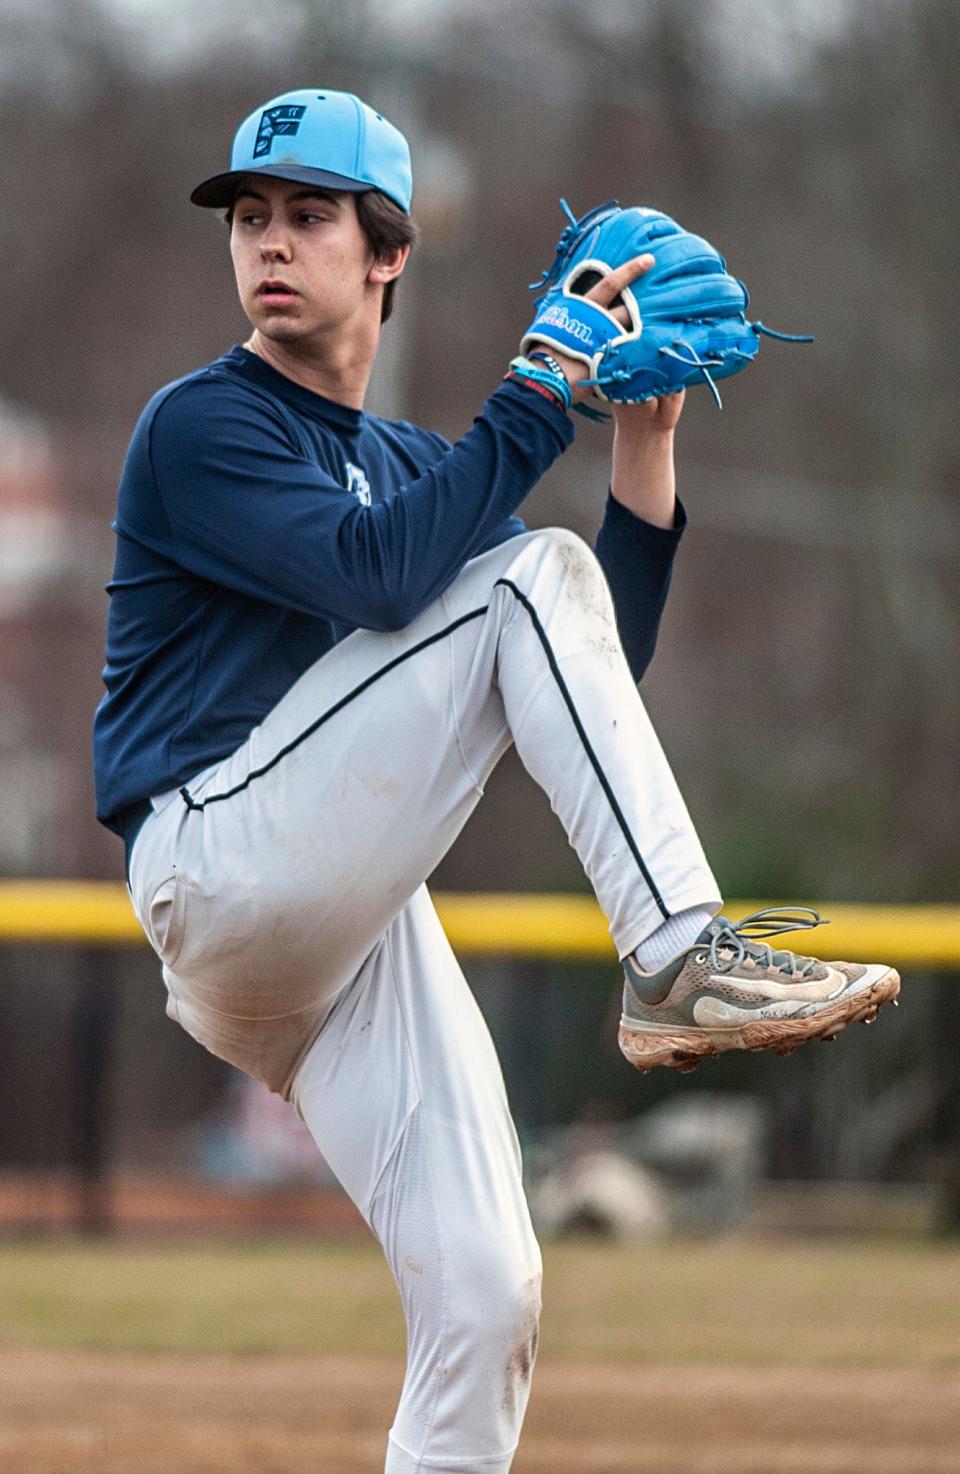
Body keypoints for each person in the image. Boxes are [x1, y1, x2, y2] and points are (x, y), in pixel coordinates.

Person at [92, 88, 898, 1474]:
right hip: (215, 857)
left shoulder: (413, 467)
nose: (269, 241)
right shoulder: (200, 427)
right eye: (252, 216)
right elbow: (387, 576)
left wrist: (640, 439)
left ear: (389, 252)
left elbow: (592, 665)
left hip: (338, 934)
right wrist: (539, 385)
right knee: (523, 575)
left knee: (487, 1288)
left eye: (309, 216)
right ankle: (676, 956)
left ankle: (670, 956)